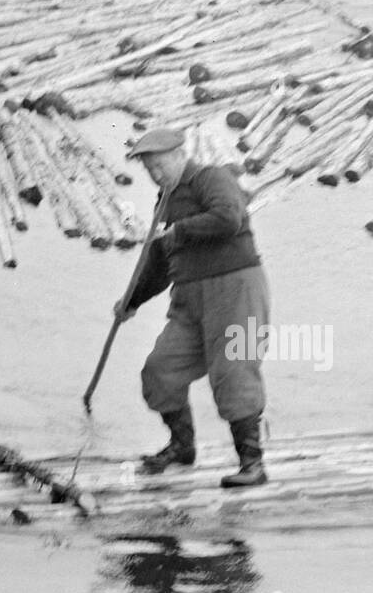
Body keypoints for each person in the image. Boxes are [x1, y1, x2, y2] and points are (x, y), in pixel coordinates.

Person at [116, 127, 271, 488]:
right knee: (160, 369)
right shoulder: (163, 203)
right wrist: (131, 301)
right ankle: (182, 447)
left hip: (238, 290)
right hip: (189, 300)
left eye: (158, 165)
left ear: (177, 155)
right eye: (148, 169)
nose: (155, 174)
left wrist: (179, 231)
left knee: (235, 372)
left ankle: (252, 464)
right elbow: (157, 263)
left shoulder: (211, 178)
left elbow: (229, 218)